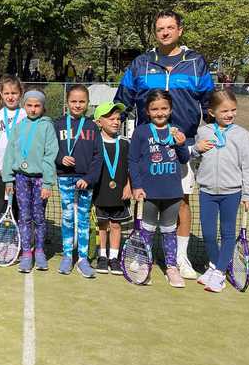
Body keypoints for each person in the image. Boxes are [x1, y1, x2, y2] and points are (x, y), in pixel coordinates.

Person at [114, 10, 214, 279]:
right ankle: (141, 255)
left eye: (170, 27)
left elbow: (210, 104)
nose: (165, 32)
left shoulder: (196, 62)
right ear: (155, 32)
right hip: (147, 146)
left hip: (184, 146)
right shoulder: (141, 63)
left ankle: (180, 259)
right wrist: (110, 123)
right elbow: (122, 100)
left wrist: (219, 130)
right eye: (160, 28)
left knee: (181, 201)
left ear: (180, 30)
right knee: (144, 197)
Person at [193, 89, 249, 292]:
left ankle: (219, 273)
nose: (230, 114)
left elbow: (248, 166)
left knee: (227, 233)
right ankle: (214, 265)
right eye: (224, 111)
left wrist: (248, 193)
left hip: (232, 193)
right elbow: (195, 159)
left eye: (233, 110)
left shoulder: (242, 135)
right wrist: (196, 149)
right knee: (209, 234)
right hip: (207, 192)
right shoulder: (203, 132)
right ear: (211, 112)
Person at [128, 90, 190, 288]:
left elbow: (184, 159)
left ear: (170, 110)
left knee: (169, 230)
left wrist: (181, 145)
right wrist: (136, 186)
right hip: (148, 192)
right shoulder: (141, 132)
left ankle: (171, 267)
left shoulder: (176, 130)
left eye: (164, 108)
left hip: (172, 193)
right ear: (147, 111)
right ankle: (145, 262)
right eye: (154, 109)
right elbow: (133, 160)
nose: (159, 112)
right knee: (146, 229)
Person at [2, 90, 57, 273]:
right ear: (24, 106)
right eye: (29, 105)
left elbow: (50, 155)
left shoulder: (48, 126)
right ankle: (26, 252)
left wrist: (48, 183)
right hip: (21, 178)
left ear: (42, 107)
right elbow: (10, 153)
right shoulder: (18, 126)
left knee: (39, 217)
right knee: (24, 216)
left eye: (37, 105)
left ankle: (39, 251)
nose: (33, 109)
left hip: (40, 179)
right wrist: (9, 179)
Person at [53, 84, 102, 277]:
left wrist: (89, 179)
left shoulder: (92, 126)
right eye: (74, 101)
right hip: (64, 177)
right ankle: (67, 255)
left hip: (85, 181)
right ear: (67, 103)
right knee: (66, 217)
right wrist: (60, 158)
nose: (78, 105)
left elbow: (98, 156)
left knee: (82, 219)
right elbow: (50, 150)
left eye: (82, 101)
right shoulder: (57, 125)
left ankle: (82, 258)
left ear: (88, 103)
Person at [92, 102, 131, 275]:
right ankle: (102, 256)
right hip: (100, 192)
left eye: (118, 118)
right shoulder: (94, 143)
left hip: (120, 192)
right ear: (99, 122)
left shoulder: (125, 143)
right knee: (102, 224)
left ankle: (114, 257)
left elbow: (131, 168)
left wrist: (129, 186)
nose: (116, 122)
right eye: (110, 118)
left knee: (116, 225)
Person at [0, 75, 26, 219]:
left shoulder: (25, 114)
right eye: (7, 93)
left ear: (20, 93)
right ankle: (1, 239)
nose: (10, 97)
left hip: (21, 171)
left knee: (19, 206)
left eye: (14, 93)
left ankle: (19, 239)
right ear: (1, 94)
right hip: (0, 170)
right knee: (2, 205)